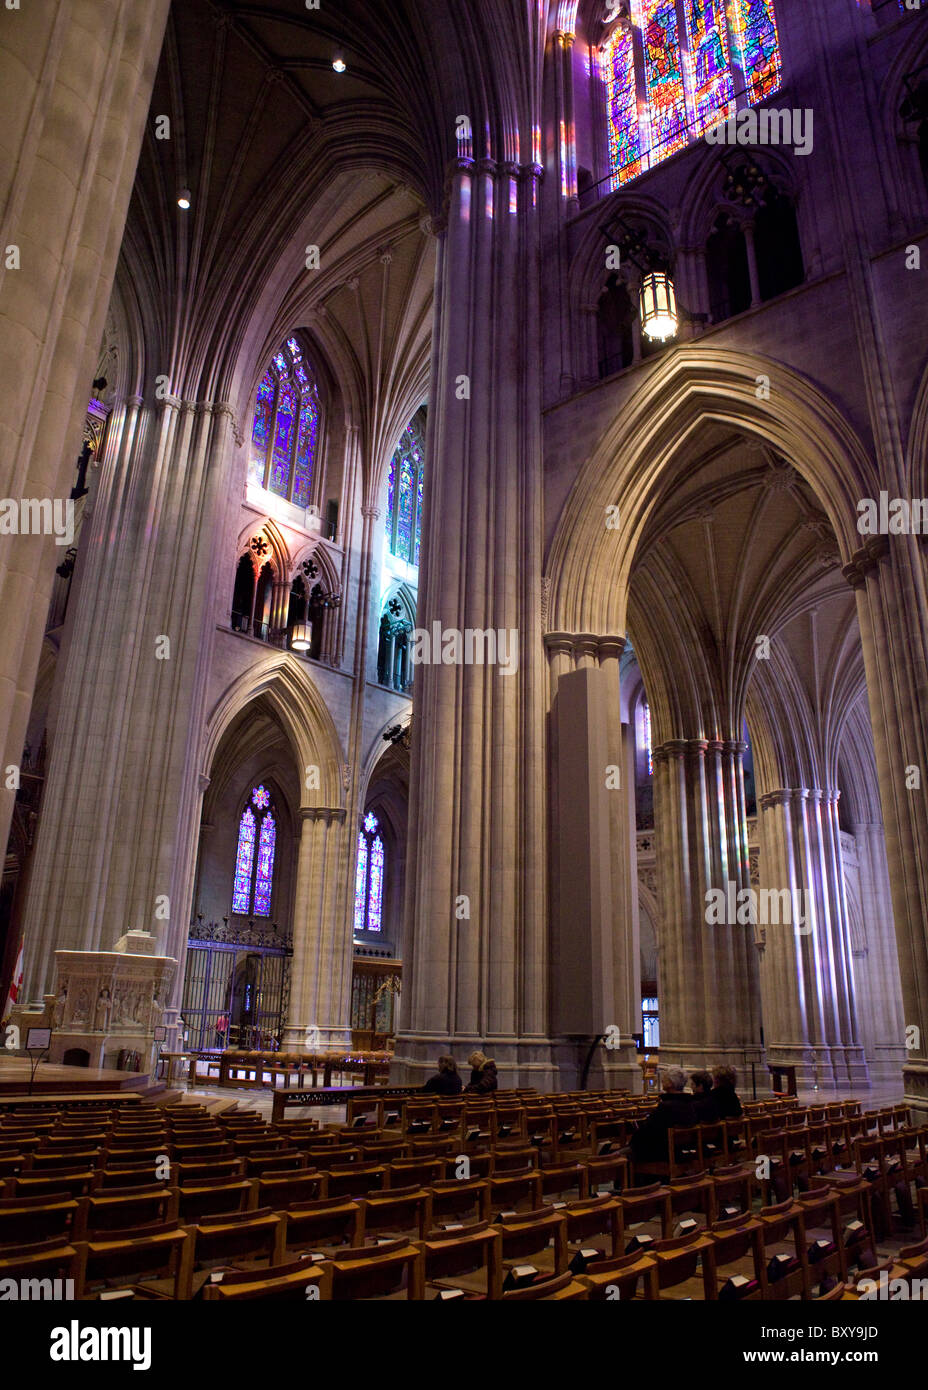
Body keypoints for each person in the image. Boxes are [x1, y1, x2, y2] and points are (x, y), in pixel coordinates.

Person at [626, 1065, 697, 1163]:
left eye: (665, 1078)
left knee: (618, 1156)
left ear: (671, 1083)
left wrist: (632, 1142)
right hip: (679, 1149)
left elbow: (647, 1131)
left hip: (661, 1153)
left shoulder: (665, 1107)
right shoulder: (689, 1104)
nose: (662, 1080)